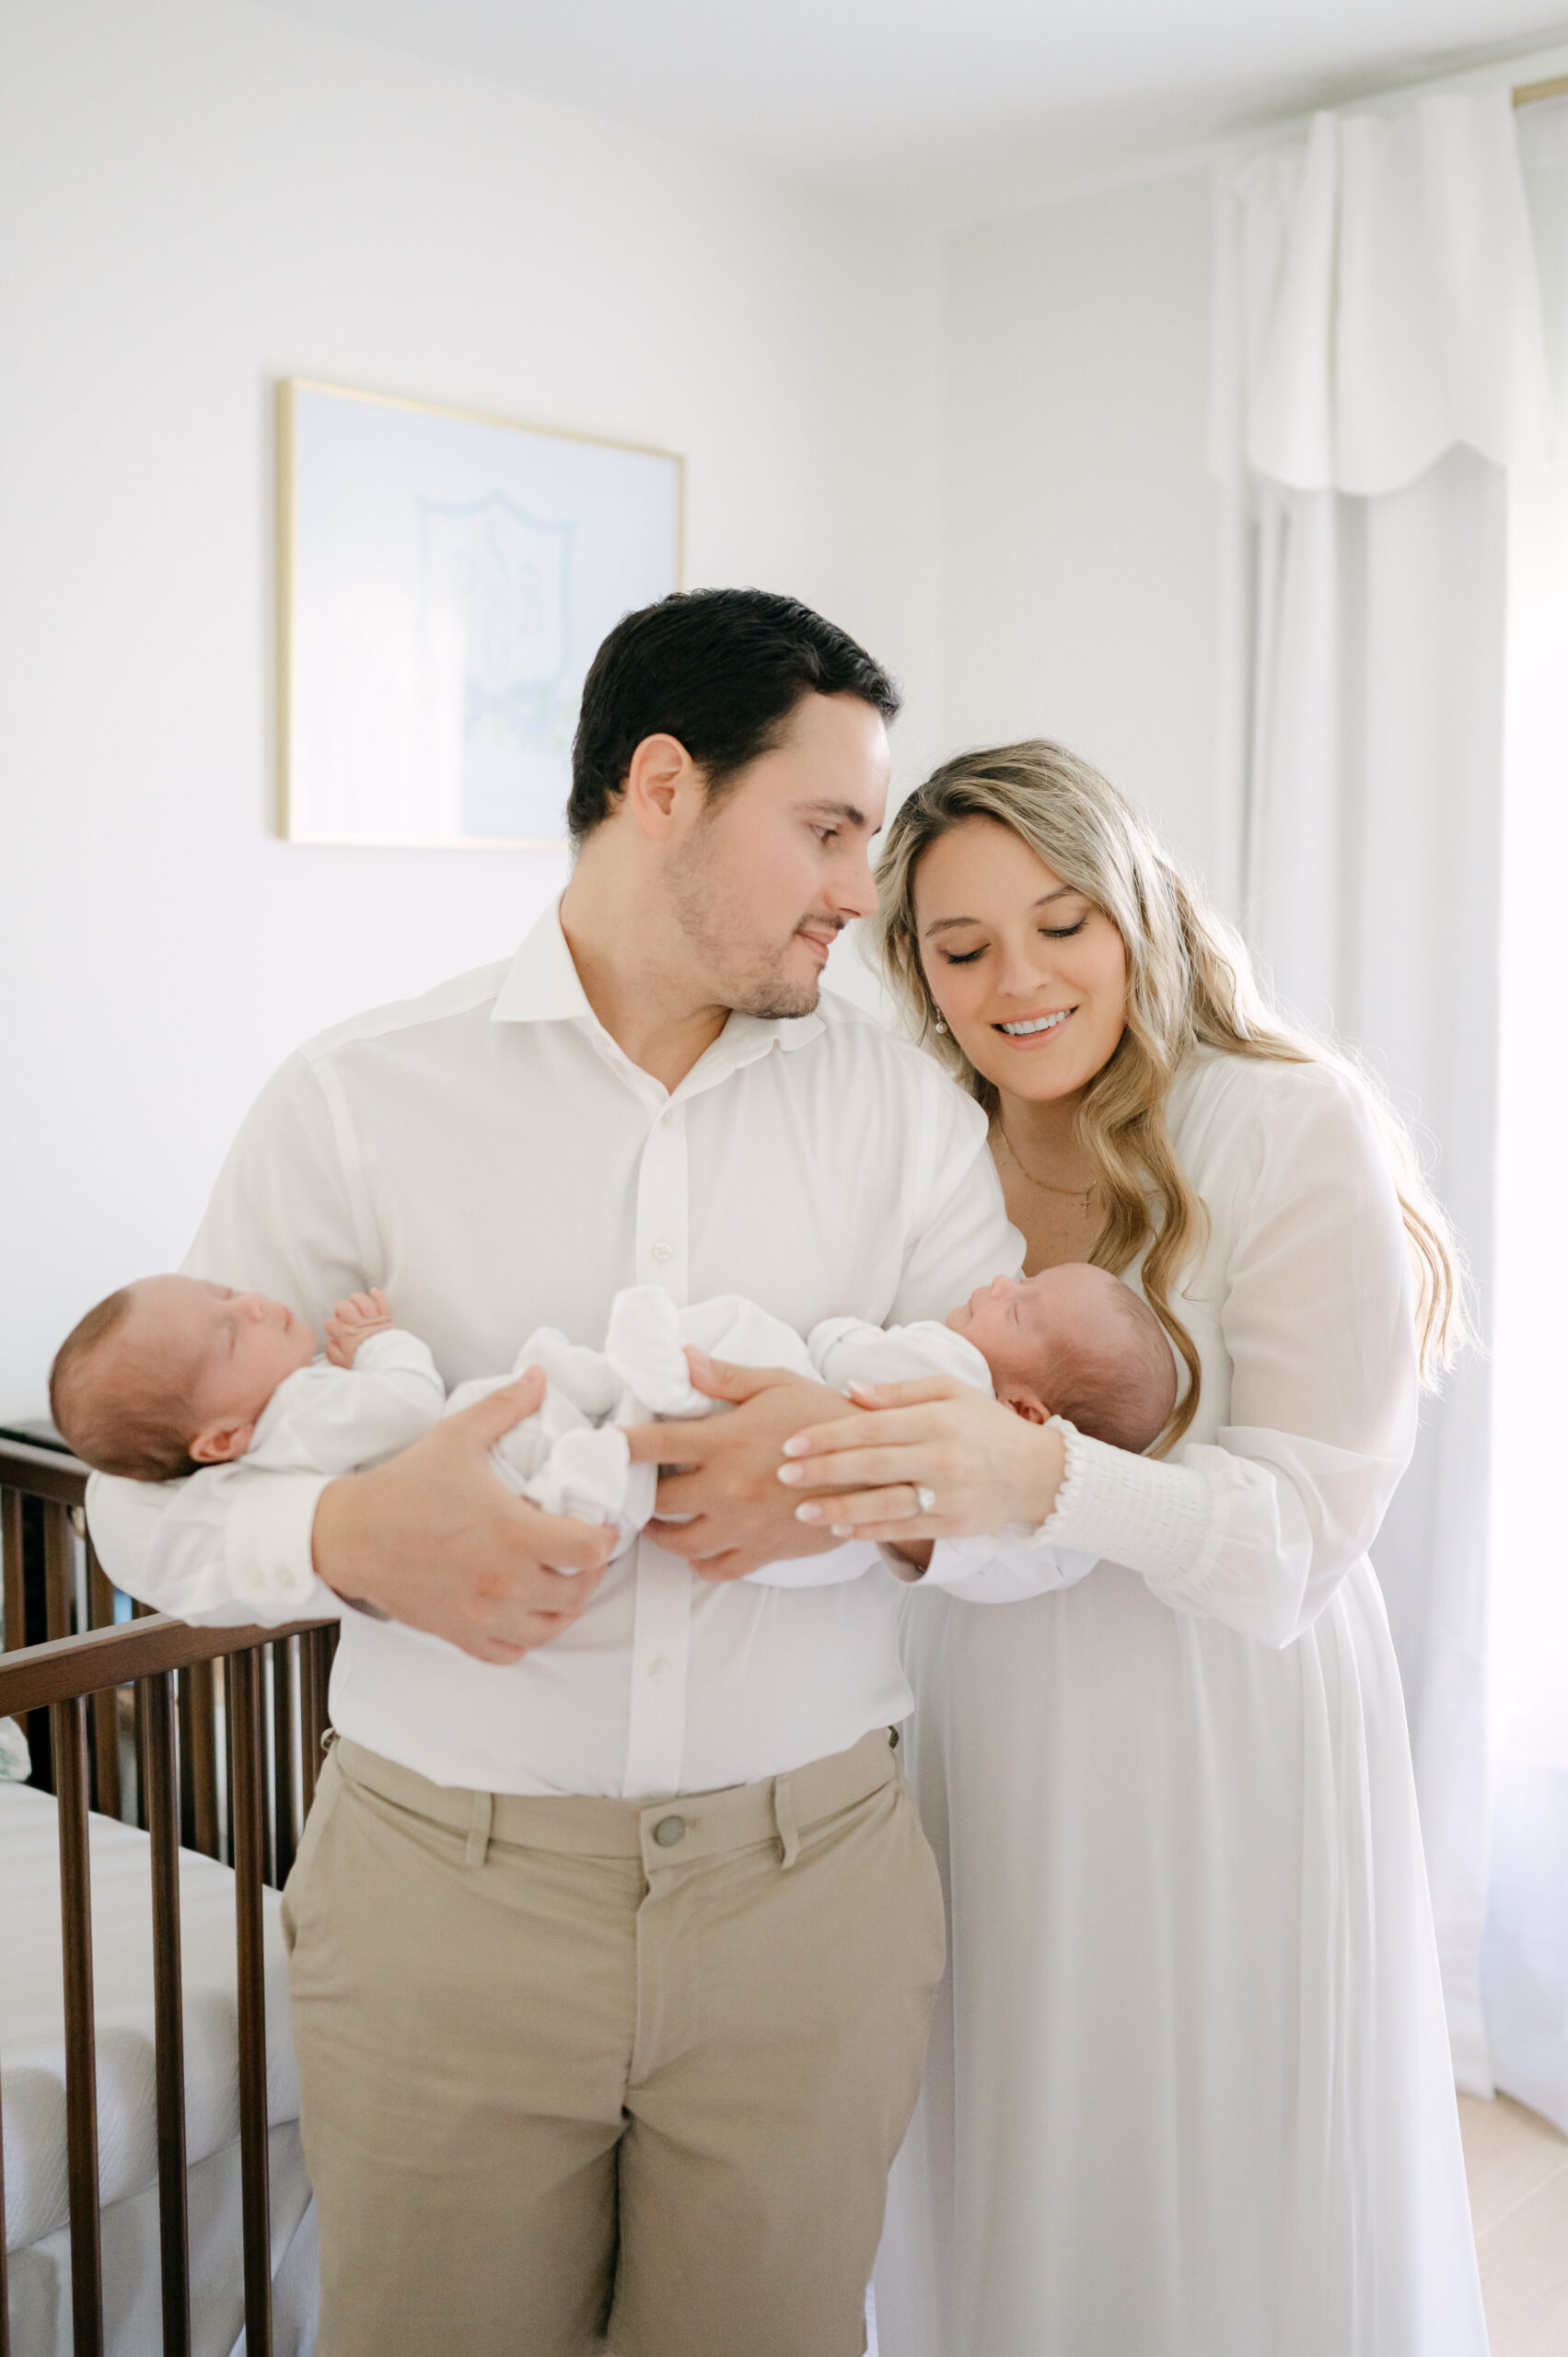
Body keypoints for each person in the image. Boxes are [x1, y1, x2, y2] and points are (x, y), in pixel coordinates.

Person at [83, 588, 1018, 2357]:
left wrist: (825, 1480)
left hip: (806, 1908)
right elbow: (139, 1508)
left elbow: (1022, 1509)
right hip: (445, 1909)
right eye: (826, 829)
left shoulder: (903, 1112)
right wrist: (356, 1530)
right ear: (662, 786)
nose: (857, 889)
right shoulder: (355, 1100)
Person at [775, 741, 1491, 2357]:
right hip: (992, 1702)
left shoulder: (1287, 1123)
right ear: (918, 974)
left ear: (1141, 914)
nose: (1019, 981)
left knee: (1216, 2135)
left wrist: (1049, 1484)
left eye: (1062, 924)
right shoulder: (929, 1147)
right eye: (962, 951)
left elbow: (1305, 1535)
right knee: (1015, 2112)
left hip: (1227, 1713)